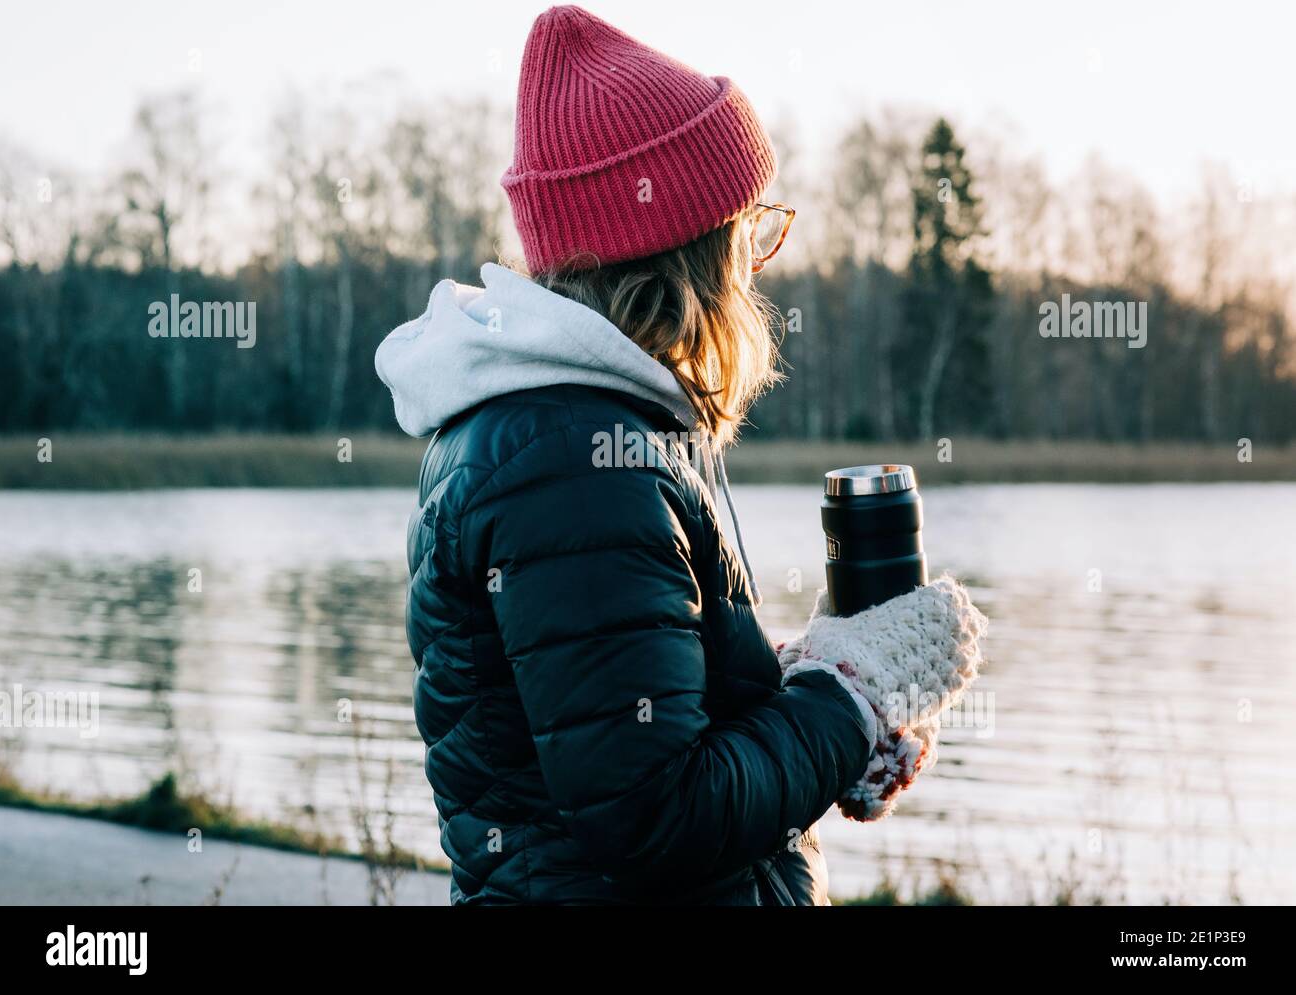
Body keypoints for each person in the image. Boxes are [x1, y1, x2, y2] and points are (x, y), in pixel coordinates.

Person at [376, 4, 979, 905]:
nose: (757, 266)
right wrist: (850, 700)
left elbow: (626, 735)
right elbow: (658, 816)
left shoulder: (562, 431)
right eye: (751, 232)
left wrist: (811, 701)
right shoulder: (574, 463)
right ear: (691, 255)